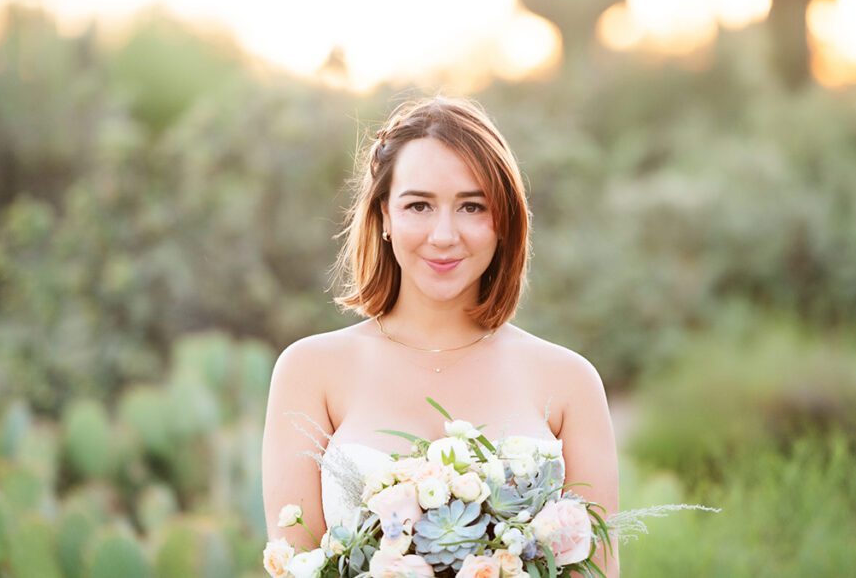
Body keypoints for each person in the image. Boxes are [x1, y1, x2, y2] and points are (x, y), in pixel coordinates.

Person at [261, 95, 620, 577]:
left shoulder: (570, 380)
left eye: (472, 206)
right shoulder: (309, 372)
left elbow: (597, 569)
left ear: (503, 223)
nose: (445, 234)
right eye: (419, 205)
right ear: (384, 217)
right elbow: (296, 564)